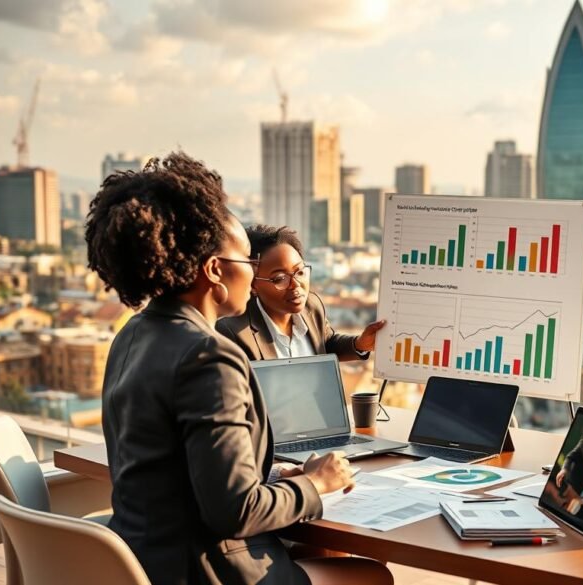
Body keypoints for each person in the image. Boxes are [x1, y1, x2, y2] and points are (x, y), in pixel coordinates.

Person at [86, 152, 392, 585]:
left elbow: (182, 468)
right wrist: (317, 483)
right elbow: (234, 512)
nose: (253, 276)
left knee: (322, 552)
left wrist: (272, 475)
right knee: (371, 577)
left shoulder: (132, 334)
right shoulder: (209, 356)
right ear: (214, 270)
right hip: (211, 571)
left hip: (147, 562)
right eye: (249, 262)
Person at [216, 224, 385, 361]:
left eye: (300, 272)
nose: (295, 285)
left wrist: (360, 344)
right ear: (253, 284)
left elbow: (325, 344)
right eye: (280, 278)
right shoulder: (233, 332)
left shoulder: (312, 306)